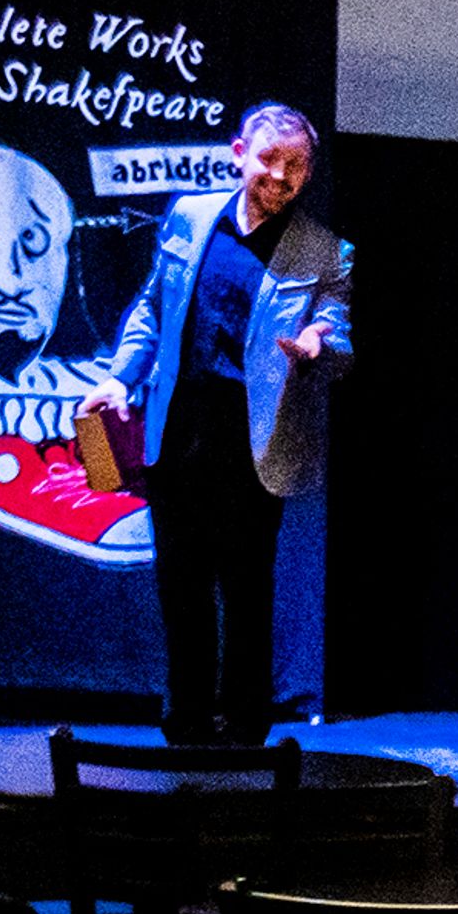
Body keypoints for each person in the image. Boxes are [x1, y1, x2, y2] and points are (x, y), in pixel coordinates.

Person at [82, 102, 348, 745]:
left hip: (253, 447)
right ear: (238, 154)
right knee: (182, 592)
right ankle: (186, 724)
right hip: (177, 439)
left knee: (248, 595)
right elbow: (153, 305)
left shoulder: (323, 249)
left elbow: (339, 326)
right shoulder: (191, 216)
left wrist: (318, 341)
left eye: (296, 167)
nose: (281, 177)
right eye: (269, 161)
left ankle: (248, 729)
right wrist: (121, 375)